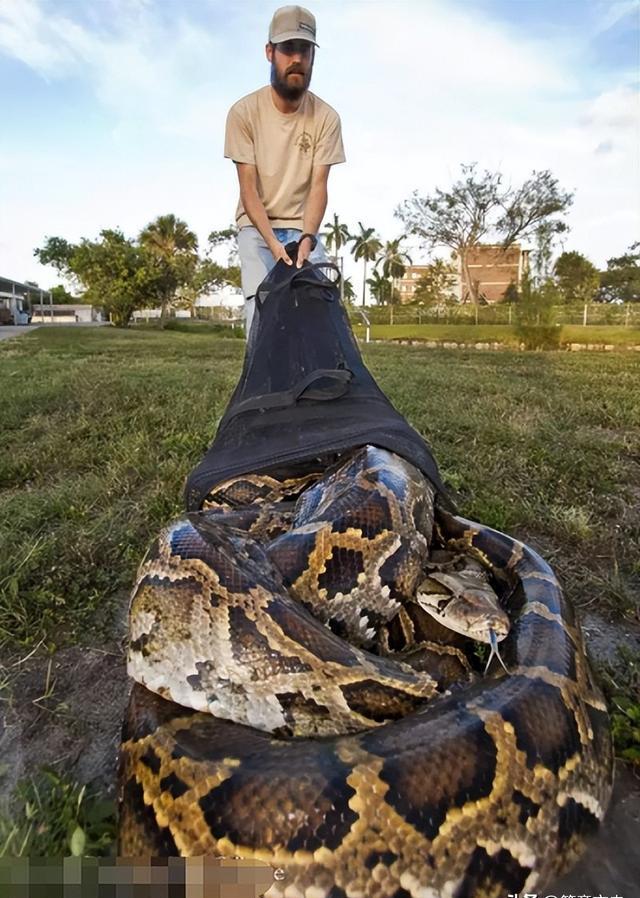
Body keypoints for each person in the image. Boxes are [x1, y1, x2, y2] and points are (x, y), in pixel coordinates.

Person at [224, 5, 346, 336]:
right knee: (260, 304)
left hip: (302, 227)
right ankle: (261, 385)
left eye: (304, 50)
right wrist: (273, 245)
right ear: (270, 52)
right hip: (257, 227)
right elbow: (248, 190)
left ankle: (314, 384)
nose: (297, 59)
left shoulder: (326, 118)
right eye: (288, 49)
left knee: (320, 304)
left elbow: (319, 187)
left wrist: (307, 239)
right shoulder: (243, 113)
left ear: (312, 56)